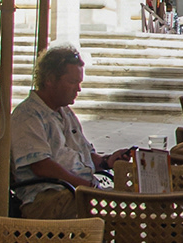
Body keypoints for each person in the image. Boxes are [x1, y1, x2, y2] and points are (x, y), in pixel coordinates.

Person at [6, 44, 110, 212]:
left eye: (79, 82)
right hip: (47, 197)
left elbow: (85, 154)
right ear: (50, 79)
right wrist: (85, 186)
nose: (78, 89)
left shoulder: (64, 111)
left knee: (130, 202)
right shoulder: (28, 115)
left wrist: (108, 161)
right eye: (72, 82)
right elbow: (42, 167)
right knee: (119, 211)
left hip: (76, 191)